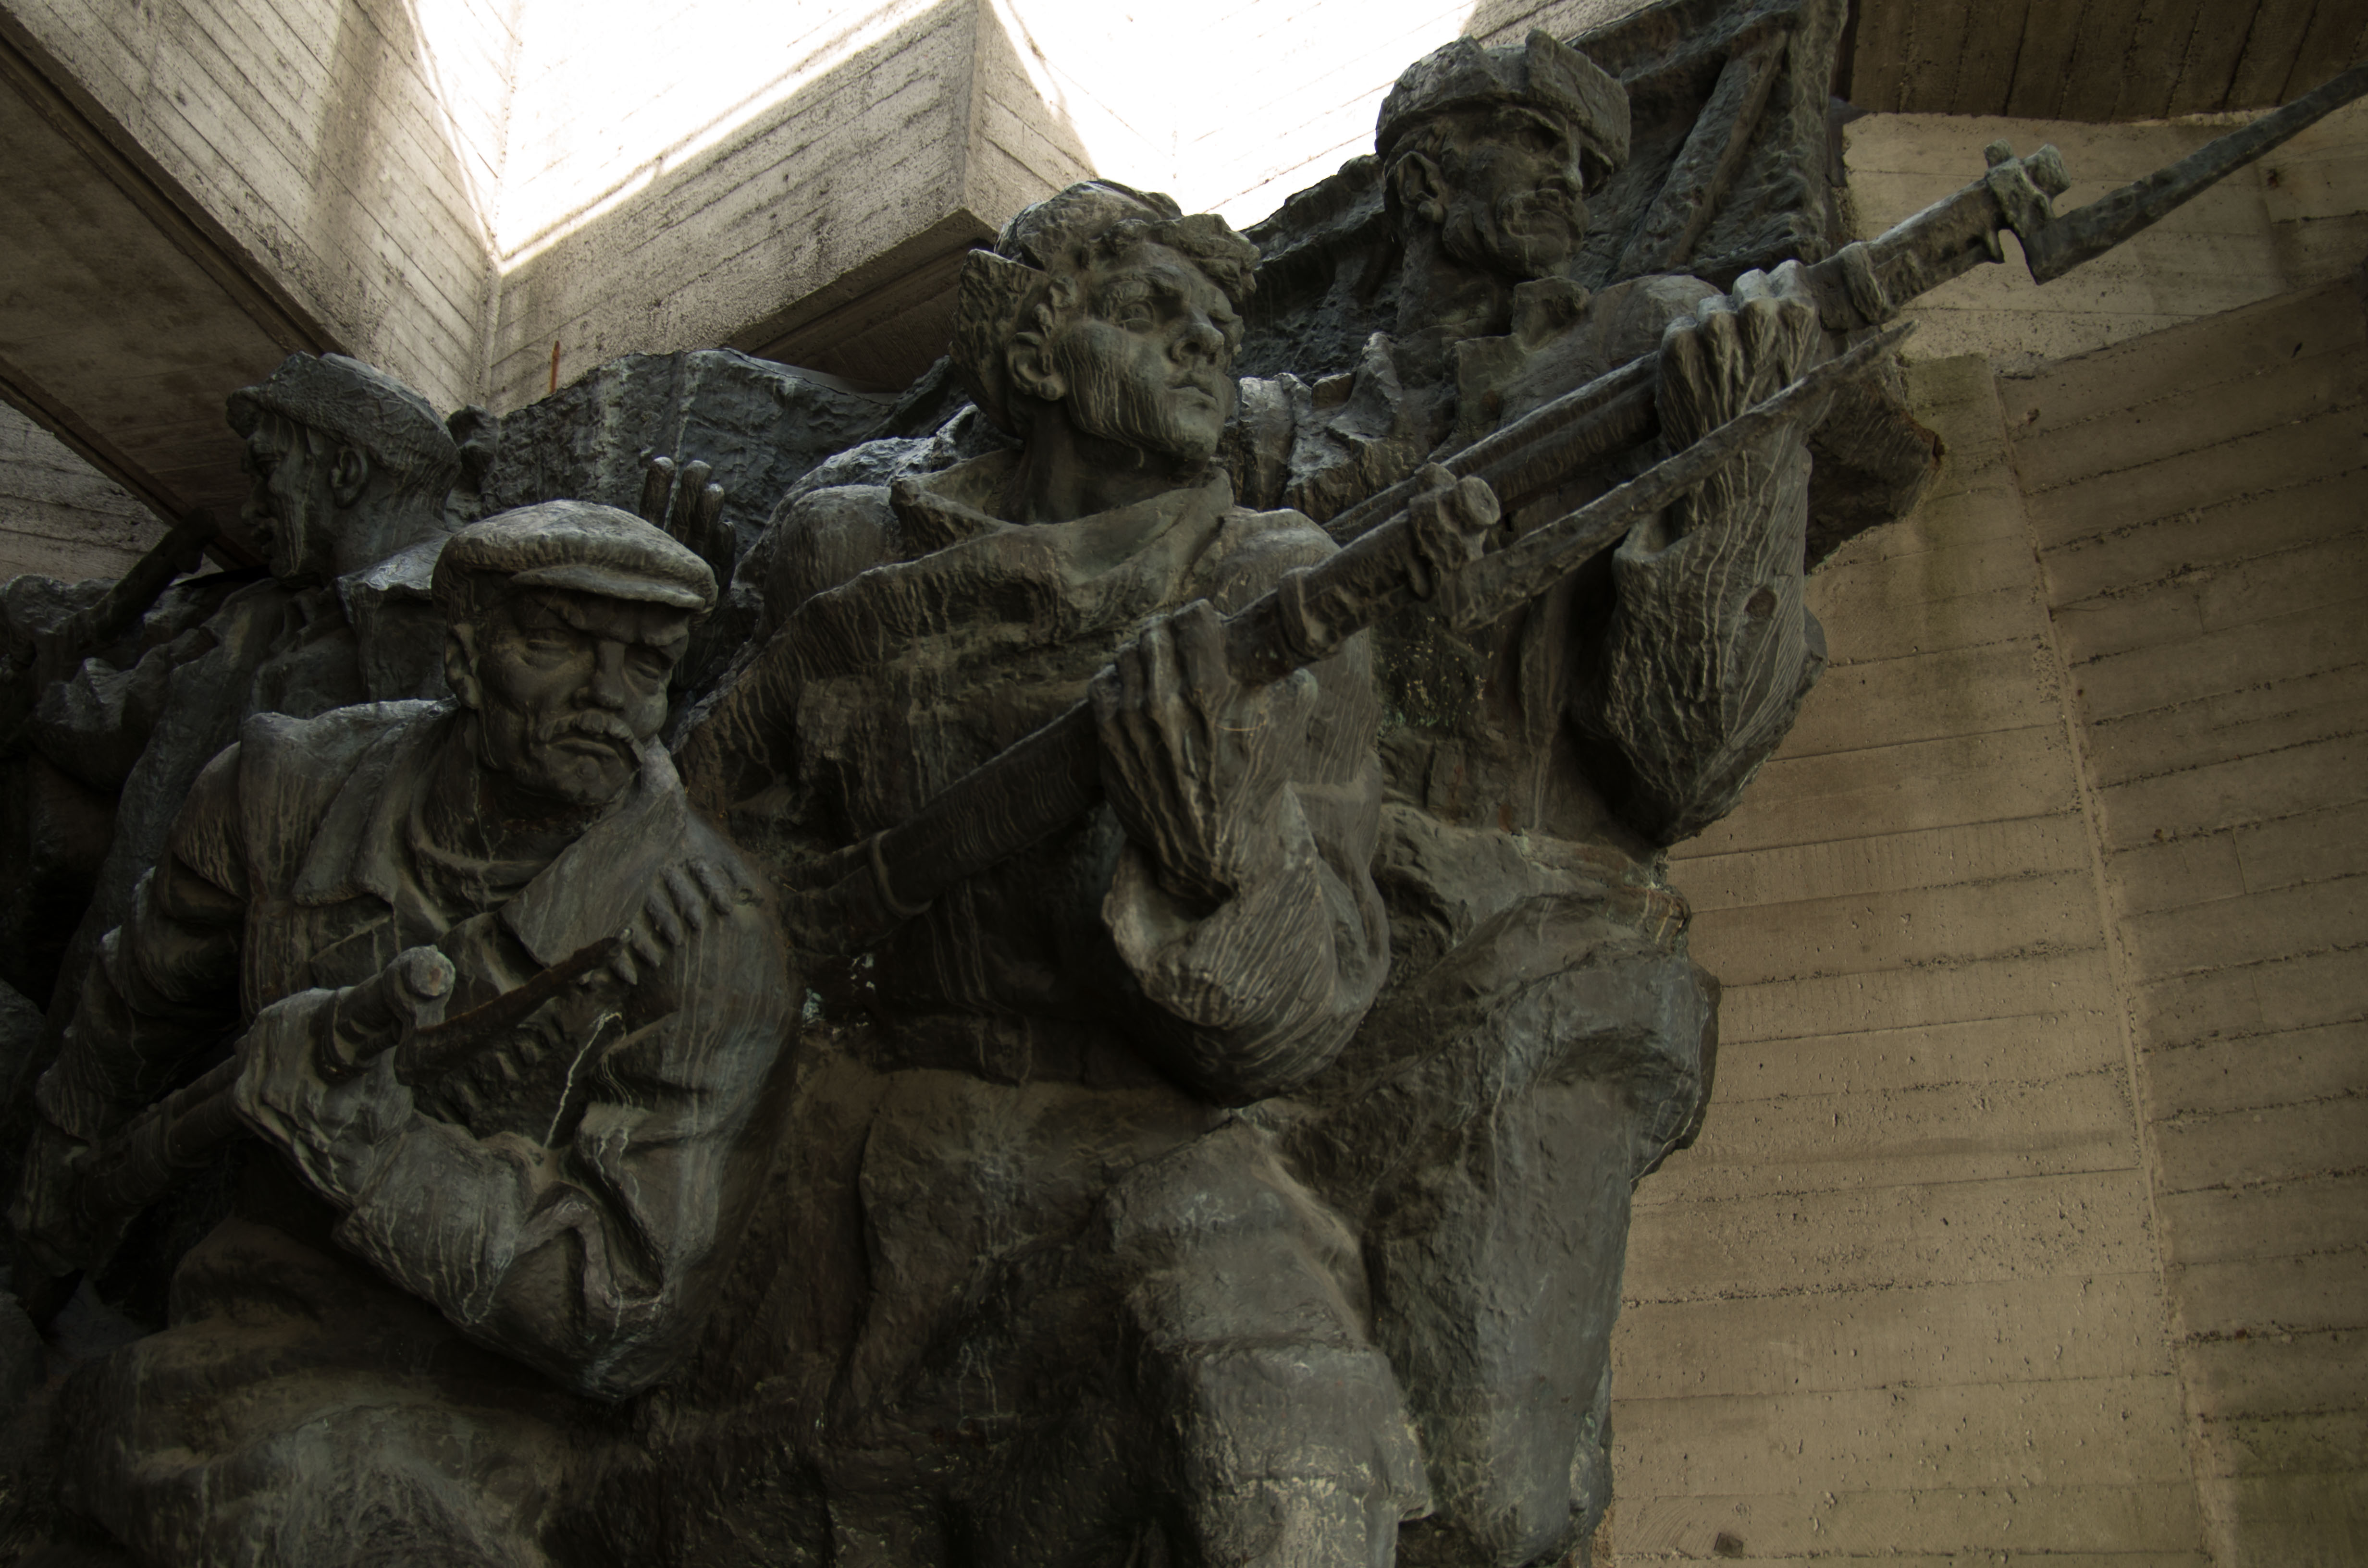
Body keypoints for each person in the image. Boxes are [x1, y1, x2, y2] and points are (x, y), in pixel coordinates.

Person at [670, 181, 1472, 1566]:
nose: (1203, 344)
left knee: (1289, 1446)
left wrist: (1222, 865)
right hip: (853, 1138)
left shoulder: (1273, 577)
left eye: (1220, 328)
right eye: (1153, 311)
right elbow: (709, 823)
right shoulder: (847, 552)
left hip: (1149, 1151)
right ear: (1036, 350)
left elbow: (1306, 1015)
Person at [1221, 32, 1829, 1563]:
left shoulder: (1649, 347)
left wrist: (1747, 459)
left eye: (1593, 162)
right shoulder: (1279, 432)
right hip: (1287, 970)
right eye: (1537, 146)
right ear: (1427, 181)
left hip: (1536, 960)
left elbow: (1687, 756)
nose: (1574, 185)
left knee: (1487, 1495)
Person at [11, 502, 795, 1567]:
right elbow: (127, 1016)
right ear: (464, 656)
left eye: (648, 663)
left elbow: (629, 1311)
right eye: (560, 644)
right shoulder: (282, 789)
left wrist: (376, 1152)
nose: (610, 695)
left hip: (493, 1407)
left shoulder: (708, 938)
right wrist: (45, 1222)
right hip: (233, 1319)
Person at [5, 355, 471, 1147]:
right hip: (126, 1009)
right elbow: (116, 724)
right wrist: (41, 680)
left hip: (276, 1060)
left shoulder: (461, 620)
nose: (250, 507)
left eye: (266, 470)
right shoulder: (255, 615)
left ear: (346, 470)